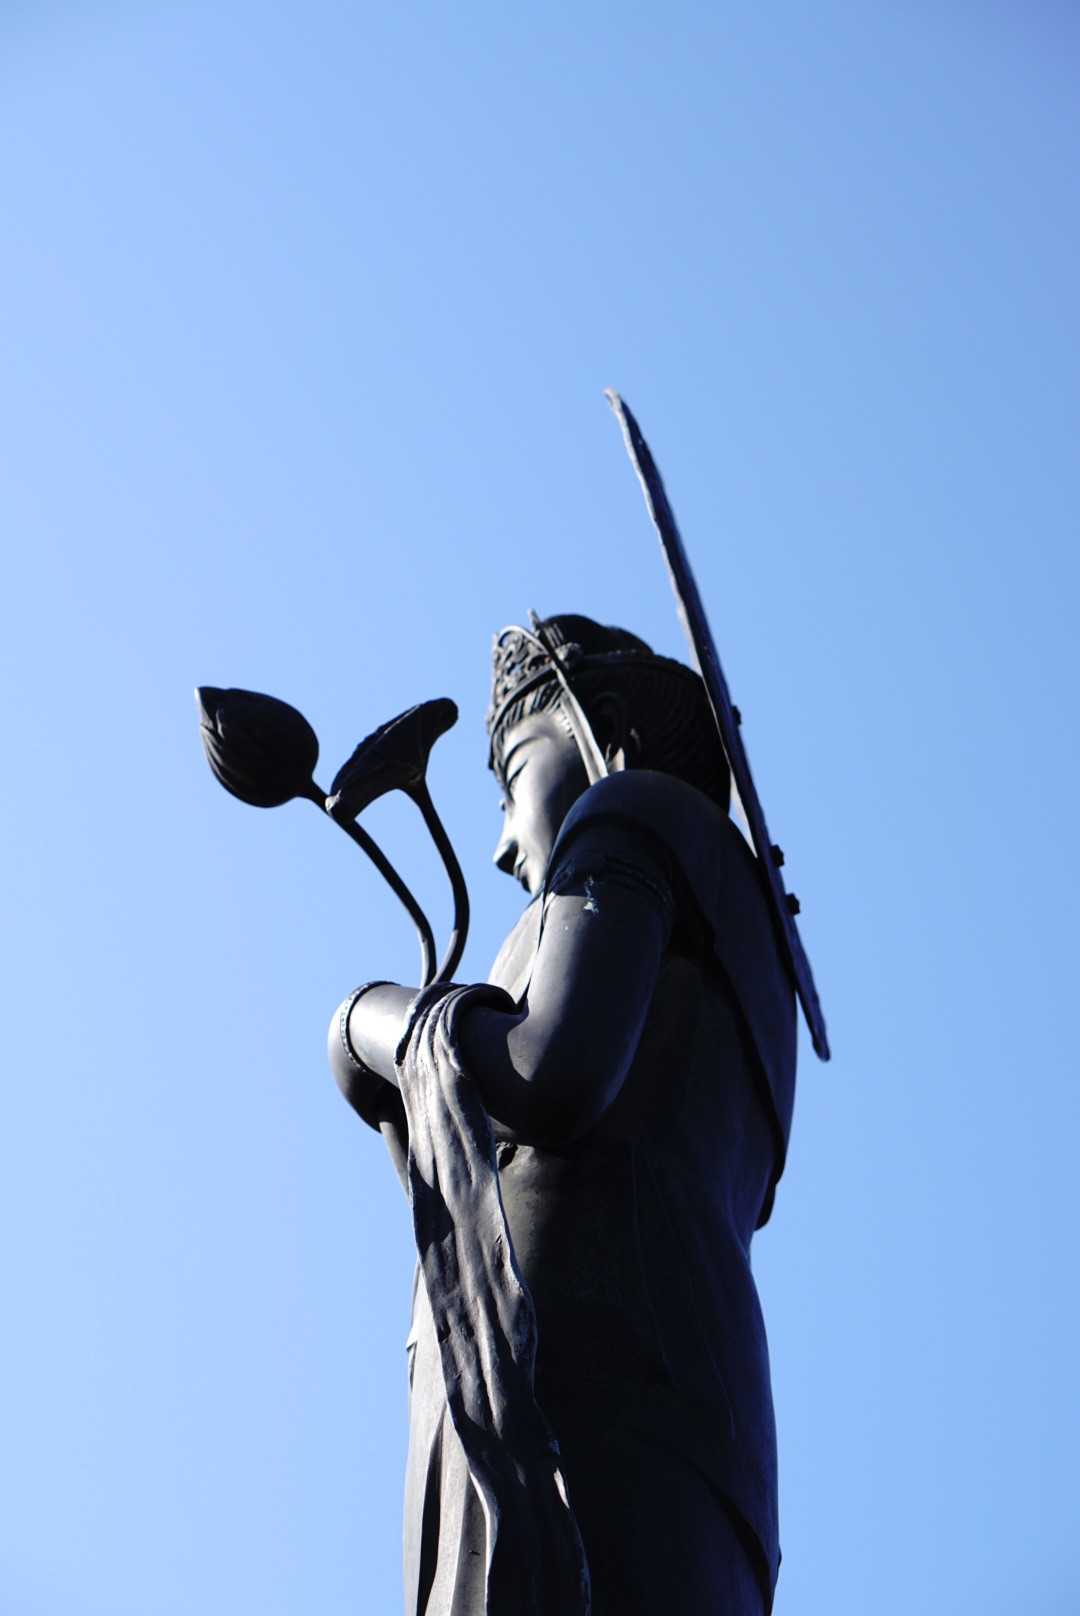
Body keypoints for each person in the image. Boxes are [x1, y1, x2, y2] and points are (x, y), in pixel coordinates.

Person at [328, 615, 797, 1616]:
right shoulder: (737, 951)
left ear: (605, 729)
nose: (503, 842)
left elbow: (551, 1074)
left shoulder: (635, 815)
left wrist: (369, 1019)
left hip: (598, 1393)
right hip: (674, 1400)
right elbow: (471, 1190)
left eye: (511, 779)